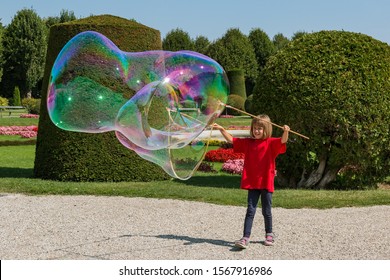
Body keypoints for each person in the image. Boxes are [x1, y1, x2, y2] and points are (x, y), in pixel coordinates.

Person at [212, 115, 290, 248]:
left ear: (266, 129)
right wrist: (221, 129)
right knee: (250, 210)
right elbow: (232, 140)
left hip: (266, 181)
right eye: (255, 128)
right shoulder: (248, 142)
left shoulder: (271, 143)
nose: (257, 131)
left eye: (260, 128)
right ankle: (245, 237)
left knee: (267, 210)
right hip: (253, 183)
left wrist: (286, 131)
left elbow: (282, 141)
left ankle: (269, 234)